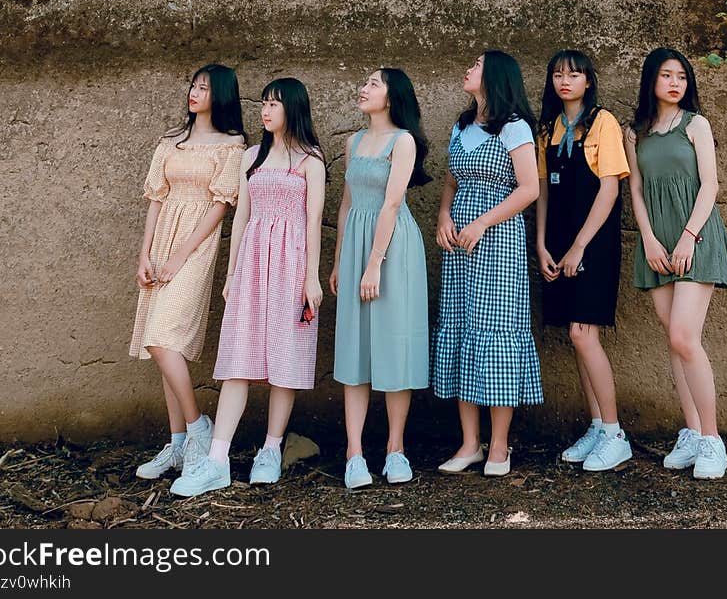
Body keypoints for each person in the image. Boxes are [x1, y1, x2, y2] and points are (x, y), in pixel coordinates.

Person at [170, 78, 326, 497]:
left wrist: (311, 277)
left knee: (285, 360)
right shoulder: (251, 157)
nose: (266, 110)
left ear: (293, 109)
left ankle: (272, 448)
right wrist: (234, 272)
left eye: (275, 104)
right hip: (254, 263)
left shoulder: (311, 160)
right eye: (264, 103)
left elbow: (313, 224)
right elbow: (240, 218)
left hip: (292, 265)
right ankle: (217, 459)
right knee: (238, 358)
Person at [625, 47, 727, 480]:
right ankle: (691, 432)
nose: (675, 83)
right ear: (651, 81)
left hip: (696, 236)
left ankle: (712, 440)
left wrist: (689, 237)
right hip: (657, 243)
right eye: (666, 76)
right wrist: (650, 241)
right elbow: (635, 190)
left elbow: (710, 184)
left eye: (681, 77)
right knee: (673, 339)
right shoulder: (635, 132)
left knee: (684, 335)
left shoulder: (697, 124)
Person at [130, 63, 246, 484]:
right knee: (166, 347)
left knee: (162, 338)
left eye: (204, 88)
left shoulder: (231, 146)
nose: (194, 93)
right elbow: (155, 201)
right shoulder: (171, 142)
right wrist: (144, 254)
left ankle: (199, 428)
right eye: (193, 86)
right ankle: (178, 444)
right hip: (161, 241)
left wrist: (180, 255)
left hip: (195, 246)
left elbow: (219, 208)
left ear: (222, 96)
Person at [432, 50, 542, 477]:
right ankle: (468, 443)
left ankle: (499, 446)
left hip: (498, 241)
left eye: (476, 65)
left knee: (494, 333)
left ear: (495, 77)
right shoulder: (462, 125)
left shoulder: (514, 128)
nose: (467, 69)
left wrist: (481, 223)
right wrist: (444, 215)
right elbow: (451, 179)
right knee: (461, 326)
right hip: (459, 243)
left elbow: (529, 188)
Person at [330, 67, 431, 489]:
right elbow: (346, 205)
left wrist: (374, 263)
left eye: (374, 83)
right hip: (356, 244)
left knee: (394, 345)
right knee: (354, 347)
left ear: (392, 96)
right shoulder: (354, 141)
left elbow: (391, 204)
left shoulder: (402, 140)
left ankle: (395, 449)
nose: (364, 88)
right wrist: (339, 262)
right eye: (365, 81)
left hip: (392, 249)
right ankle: (355, 453)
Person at [536, 49, 632, 472]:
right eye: (558, 74)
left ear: (588, 81)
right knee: (575, 337)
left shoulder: (603, 122)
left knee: (583, 332)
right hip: (556, 243)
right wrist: (541, 244)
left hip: (593, 242)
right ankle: (596, 425)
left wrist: (579, 247)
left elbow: (609, 190)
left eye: (574, 74)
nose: (565, 81)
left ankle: (614, 433)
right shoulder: (549, 127)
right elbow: (542, 191)